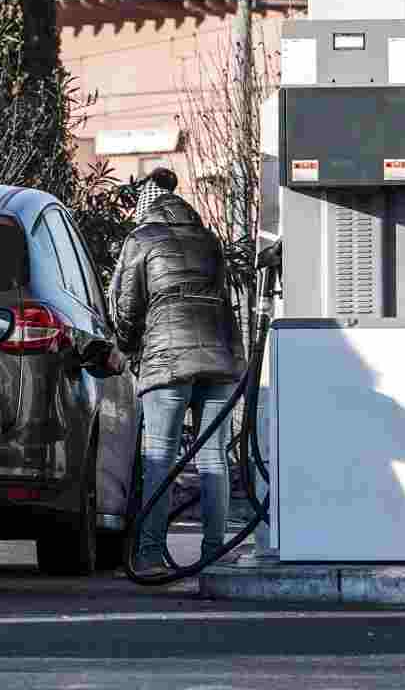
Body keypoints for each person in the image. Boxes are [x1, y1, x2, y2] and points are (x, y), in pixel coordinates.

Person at [109, 167, 246, 577]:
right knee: (214, 459)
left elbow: (127, 307)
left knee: (159, 458)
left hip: (168, 359)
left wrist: (131, 350)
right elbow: (223, 294)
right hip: (220, 358)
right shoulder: (208, 239)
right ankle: (214, 555)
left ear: (145, 206)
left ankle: (150, 555)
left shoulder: (141, 239)